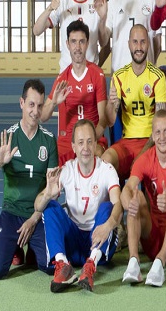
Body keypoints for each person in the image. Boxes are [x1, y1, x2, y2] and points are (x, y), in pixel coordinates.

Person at [34, 120, 122, 292]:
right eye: (81, 143)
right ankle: (63, 266)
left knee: (107, 208)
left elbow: (118, 204)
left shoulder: (107, 170)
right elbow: (37, 206)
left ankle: (90, 266)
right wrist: (48, 193)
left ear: (95, 144)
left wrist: (108, 226)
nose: (85, 148)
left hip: (98, 240)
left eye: (89, 141)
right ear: (73, 147)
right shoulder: (67, 170)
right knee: (50, 207)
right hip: (73, 244)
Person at [0, 79, 57, 280]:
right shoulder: (8, 137)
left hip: (37, 214)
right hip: (12, 212)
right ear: (21, 103)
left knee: (50, 266)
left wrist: (33, 219)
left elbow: (51, 189)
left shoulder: (49, 140)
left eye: (40, 106)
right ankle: (14, 244)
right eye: (31, 104)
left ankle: (31, 246)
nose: (35, 111)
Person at [120, 110, 166, 287]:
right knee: (136, 196)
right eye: (158, 132)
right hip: (152, 239)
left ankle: (160, 263)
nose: (162, 137)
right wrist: (128, 203)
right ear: (153, 135)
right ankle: (133, 262)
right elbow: (127, 189)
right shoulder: (145, 159)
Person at [101, 25, 166, 180]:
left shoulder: (157, 77)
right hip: (127, 142)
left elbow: (161, 126)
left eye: (143, 42)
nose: (139, 47)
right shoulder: (119, 77)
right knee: (105, 161)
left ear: (148, 44)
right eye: (135, 42)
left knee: (142, 168)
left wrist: (143, 154)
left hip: (151, 142)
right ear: (129, 44)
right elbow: (110, 121)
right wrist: (111, 103)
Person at [41, 20, 108, 165]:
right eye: (73, 42)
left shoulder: (97, 74)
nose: (77, 47)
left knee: (98, 156)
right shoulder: (62, 79)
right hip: (67, 142)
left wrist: (89, 141)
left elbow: (103, 119)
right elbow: (43, 117)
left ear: (87, 43)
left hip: (91, 139)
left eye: (81, 42)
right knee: (48, 168)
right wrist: (53, 102)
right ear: (67, 44)